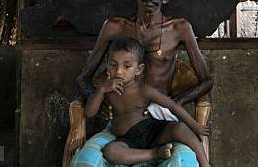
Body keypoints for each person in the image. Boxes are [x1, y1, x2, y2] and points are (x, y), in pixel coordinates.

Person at [70, 0, 213, 167]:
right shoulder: (115, 26)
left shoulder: (180, 28)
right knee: (86, 161)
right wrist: (99, 100)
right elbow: (84, 77)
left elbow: (206, 81)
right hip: (121, 124)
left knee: (184, 162)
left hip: (161, 122)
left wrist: (176, 103)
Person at [85, 37, 210, 167]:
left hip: (151, 130)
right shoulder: (107, 89)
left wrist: (195, 125)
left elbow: (172, 106)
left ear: (138, 70)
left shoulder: (143, 90)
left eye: (127, 66)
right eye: (113, 65)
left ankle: (206, 164)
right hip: (127, 139)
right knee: (110, 152)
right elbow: (89, 113)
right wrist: (101, 90)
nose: (119, 71)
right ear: (107, 66)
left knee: (179, 128)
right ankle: (155, 154)